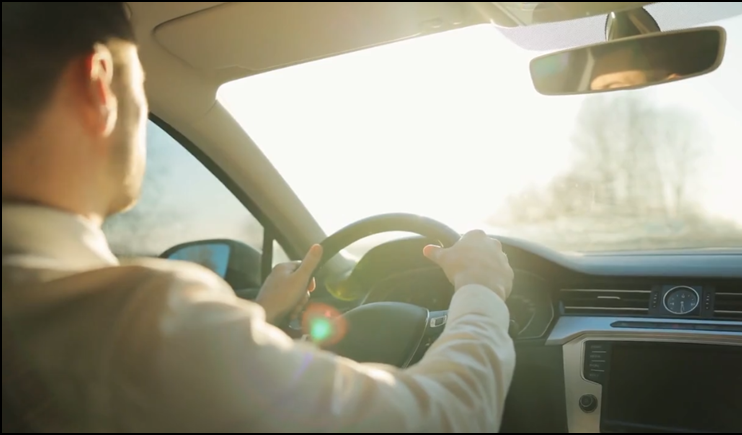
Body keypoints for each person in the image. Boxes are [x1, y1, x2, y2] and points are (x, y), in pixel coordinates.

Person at [2, 2, 516, 433]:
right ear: (99, 86)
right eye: (142, 80)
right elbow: (448, 416)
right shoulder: (141, 324)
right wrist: (481, 290)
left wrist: (262, 314)